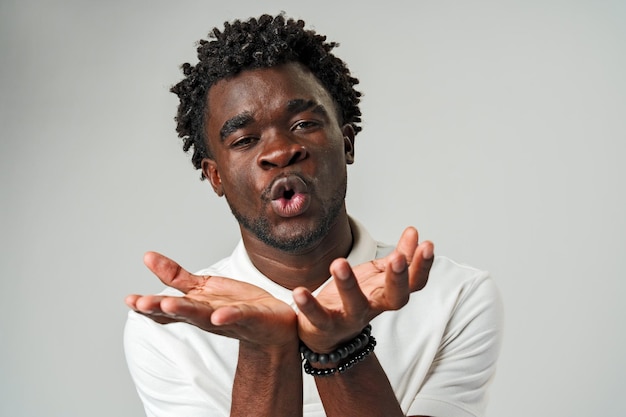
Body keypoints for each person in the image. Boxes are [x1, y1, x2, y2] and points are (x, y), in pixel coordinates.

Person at [124, 13, 503, 417]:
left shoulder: (455, 296)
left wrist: (340, 348)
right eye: (245, 140)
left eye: (304, 123)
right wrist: (266, 349)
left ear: (347, 143)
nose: (280, 151)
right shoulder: (169, 331)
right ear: (215, 176)